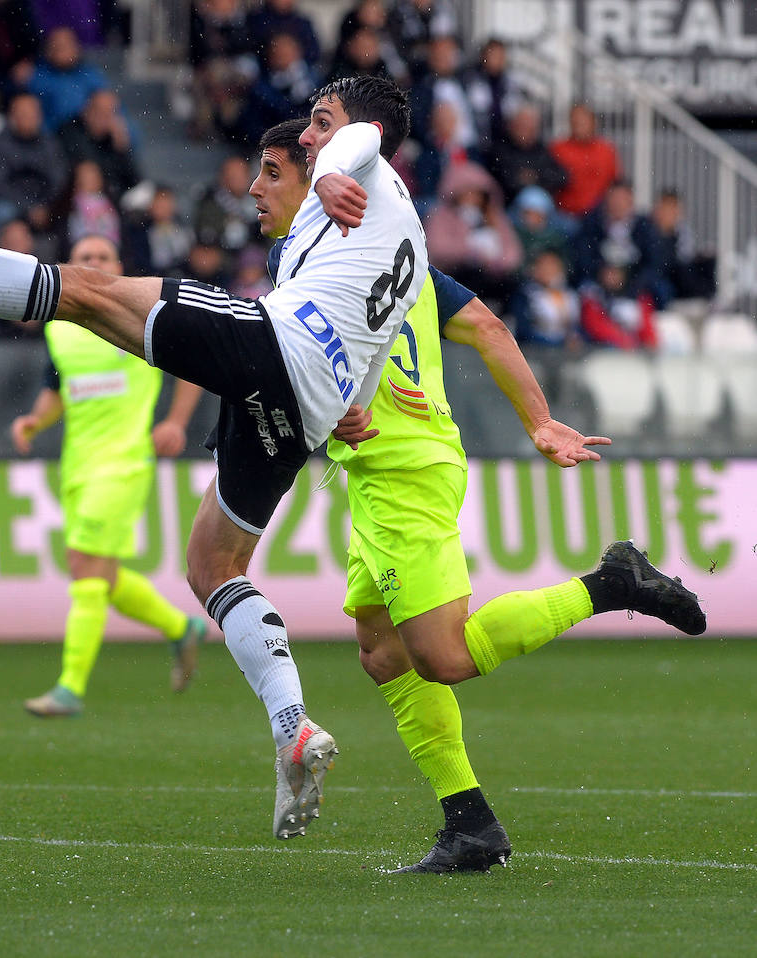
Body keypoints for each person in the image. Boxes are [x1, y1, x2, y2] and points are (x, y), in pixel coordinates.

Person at [0, 75, 430, 840]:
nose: (308, 140)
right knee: (212, 564)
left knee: (85, 292)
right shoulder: (407, 236)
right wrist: (349, 405)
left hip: (274, 349)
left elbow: (358, 142)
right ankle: (293, 727)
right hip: (309, 403)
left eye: (318, 126)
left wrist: (330, 167)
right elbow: (388, 324)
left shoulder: (355, 164)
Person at [248, 117, 706, 873]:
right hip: (380, 471)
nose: (257, 190)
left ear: (320, 179)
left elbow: (471, 331)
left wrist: (538, 424)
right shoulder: (389, 253)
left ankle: (610, 583)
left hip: (402, 468)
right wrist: (536, 424)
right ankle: (470, 824)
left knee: (445, 657)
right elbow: (485, 325)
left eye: (273, 173)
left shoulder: (338, 255)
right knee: (381, 650)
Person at [12, 235, 207, 717]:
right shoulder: (59, 327)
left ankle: (70, 688)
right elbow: (56, 387)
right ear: (69, 267)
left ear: (119, 267)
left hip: (124, 463)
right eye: (85, 258)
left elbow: (194, 367)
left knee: (85, 569)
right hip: (77, 467)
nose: (95, 263)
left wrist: (176, 422)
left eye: (103, 257)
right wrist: (35, 421)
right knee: (103, 575)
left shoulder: (139, 315)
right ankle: (182, 628)